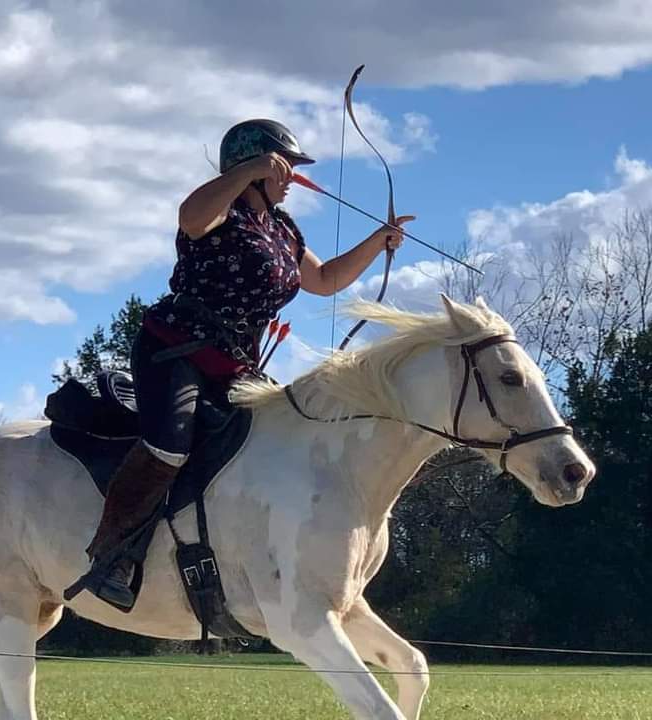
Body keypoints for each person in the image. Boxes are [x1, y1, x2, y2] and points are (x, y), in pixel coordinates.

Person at [79, 119, 413, 610]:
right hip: (175, 349)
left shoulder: (282, 230)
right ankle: (110, 552)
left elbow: (324, 279)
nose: (292, 180)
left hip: (236, 365)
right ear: (258, 167)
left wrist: (377, 240)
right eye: (285, 169)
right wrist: (243, 172)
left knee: (277, 439)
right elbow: (190, 217)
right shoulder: (219, 212)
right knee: (170, 444)